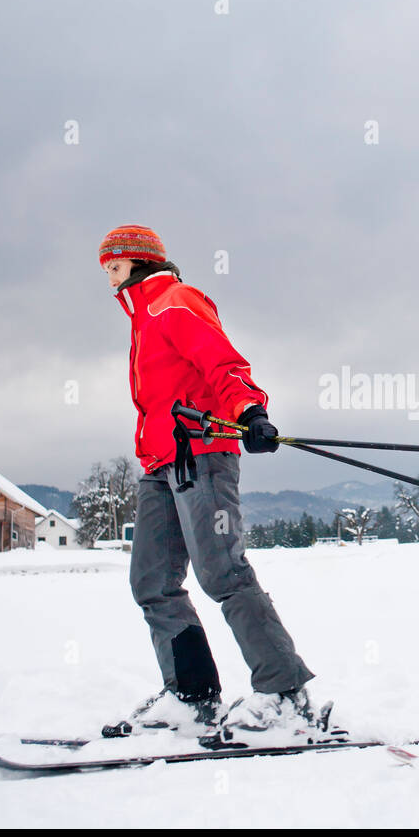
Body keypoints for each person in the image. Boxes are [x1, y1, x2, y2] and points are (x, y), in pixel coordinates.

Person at [100, 224, 320, 738]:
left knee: (223, 572)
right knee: (152, 583)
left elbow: (221, 361)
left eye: (113, 266)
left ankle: (286, 694)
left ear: (136, 262)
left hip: (201, 455)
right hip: (160, 464)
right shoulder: (141, 319)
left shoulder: (175, 302)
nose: (108, 279)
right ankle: (191, 695)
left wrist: (250, 409)